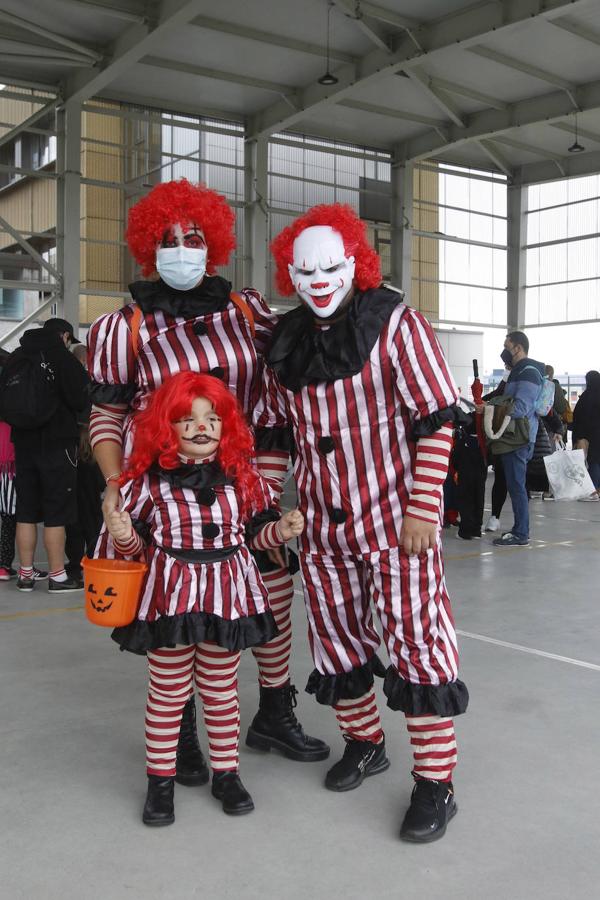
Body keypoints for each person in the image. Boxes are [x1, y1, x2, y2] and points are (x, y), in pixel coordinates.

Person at [87, 179, 328, 790]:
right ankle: (185, 736)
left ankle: (275, 712)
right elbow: (108, 414)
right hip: (161, 484)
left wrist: (267, 487)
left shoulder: (244, 308)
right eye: (166, 240)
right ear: (150, 248)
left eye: (191, 237)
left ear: (211, 242)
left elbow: (277, 392)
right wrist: (117, 486)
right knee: (174, 604)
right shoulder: (128, 325)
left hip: (249, 475)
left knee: (268, 595)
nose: (180, 247)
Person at [256, 203, 469, 843]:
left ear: (355, 263)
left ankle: (436, 782)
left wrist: (424, 505)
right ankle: (365, 742)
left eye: (331, 266)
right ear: (289, 273)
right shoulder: (286, 340)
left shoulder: (397, 323)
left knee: (415, 642)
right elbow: (272, 435)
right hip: (321, 530)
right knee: (336, 639)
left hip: (396, 526)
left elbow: (437, 417)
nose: (318, 279)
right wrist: (267, 510)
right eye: (304, 270)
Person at [104, 372, 304, 824]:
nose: (201, 427)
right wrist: (123, 535)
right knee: (168, 694)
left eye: (212, 418)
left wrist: (281, 529)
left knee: (221, 691)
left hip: (227, 597)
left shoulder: (241, 478)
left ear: (226, 425)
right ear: (165, 427)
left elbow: (254, 539)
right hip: (169, 599)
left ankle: (226, 774)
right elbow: (139, 549)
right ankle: (160, 781)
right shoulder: (149, 483)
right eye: (187, 419)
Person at [7, 318, 88, 591]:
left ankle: (26, 575)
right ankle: (57, 576)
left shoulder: (18, 356)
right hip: (58, 444)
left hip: (23, 444)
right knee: (58, 511)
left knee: (25, 511)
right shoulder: (62, 358)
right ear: (64, 335)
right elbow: (80, 399)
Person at [481, 331, 544, 547]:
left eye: (507, 346)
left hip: (519, 438)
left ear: (518, 348)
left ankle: (521, 532)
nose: (504, 351)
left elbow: (521, 407)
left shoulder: (528, 372)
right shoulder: (518, 371)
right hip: (513, 437)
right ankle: (520, 530)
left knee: (516, 485)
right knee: (516, 483)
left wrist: (493, 409)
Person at [64, 344, 104, 583]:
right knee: (93, 513)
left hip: (74, 451)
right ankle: (94, 557)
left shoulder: (71, 384)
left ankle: (76, 561)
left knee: (75, 514)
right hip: (93, 449)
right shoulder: (95, 384)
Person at [572, 370, 600, 500]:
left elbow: (580, 418)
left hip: (590, 436)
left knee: (593, 461)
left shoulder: (587, 396)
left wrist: (579, 437)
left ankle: (592, 491)